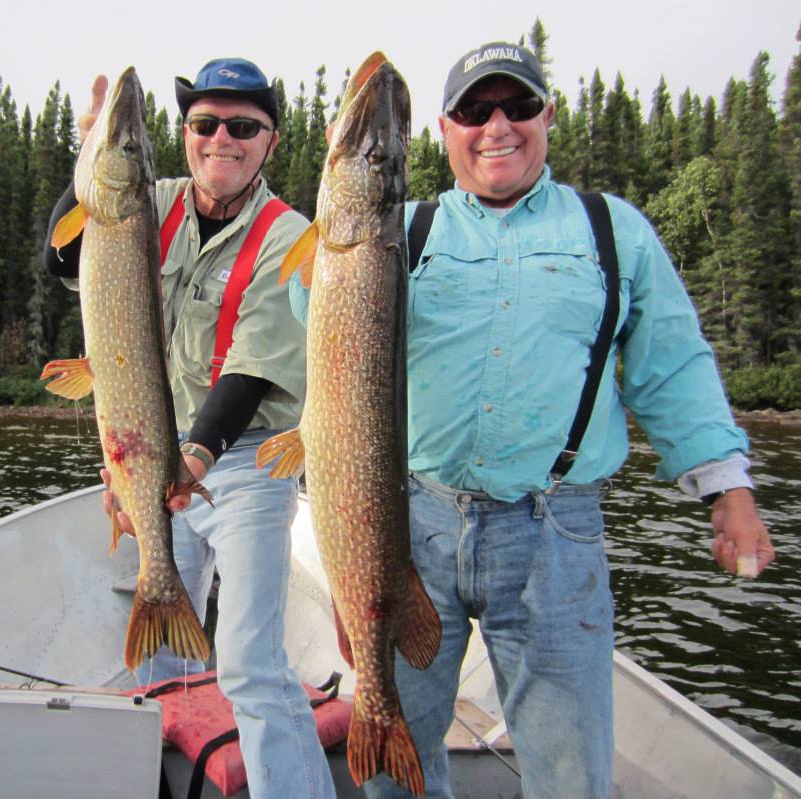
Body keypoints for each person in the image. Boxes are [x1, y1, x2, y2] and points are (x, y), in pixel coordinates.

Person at [292, 42, 776, 799]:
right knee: (396, 770)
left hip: (555, 533)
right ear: (447, 131)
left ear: (547, 117)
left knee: (570, 774)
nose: (497, 127)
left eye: (517, 107)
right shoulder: (398, 233)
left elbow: (672, 365)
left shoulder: (612, 231)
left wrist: (728, 489)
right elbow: (300, 317)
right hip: (409, 518)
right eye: (475, 111)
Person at [45, 58, 336, 799]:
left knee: (248, 661)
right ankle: (163, 782)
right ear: (185, 135)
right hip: (149, 443)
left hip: (241, 463)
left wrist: (189, 463)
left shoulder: (288, 237)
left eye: (243, 127)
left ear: (270, 141)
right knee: (155, 654)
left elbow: (250, 372)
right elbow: (64, 256)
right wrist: (89, 156)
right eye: (205, 124)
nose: (222, 140)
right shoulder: (150, 201)